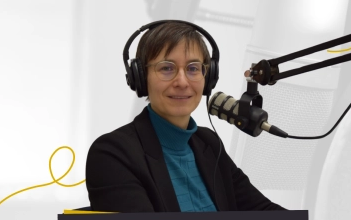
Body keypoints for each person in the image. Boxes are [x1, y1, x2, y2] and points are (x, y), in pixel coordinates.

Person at [85, 20, 287, 212]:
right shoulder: (112, 154)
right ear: (140, 78)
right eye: (166, 68)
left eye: (193, 68)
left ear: (208, 78)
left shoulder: (208, 143)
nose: (182, 82)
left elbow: (262, 210)